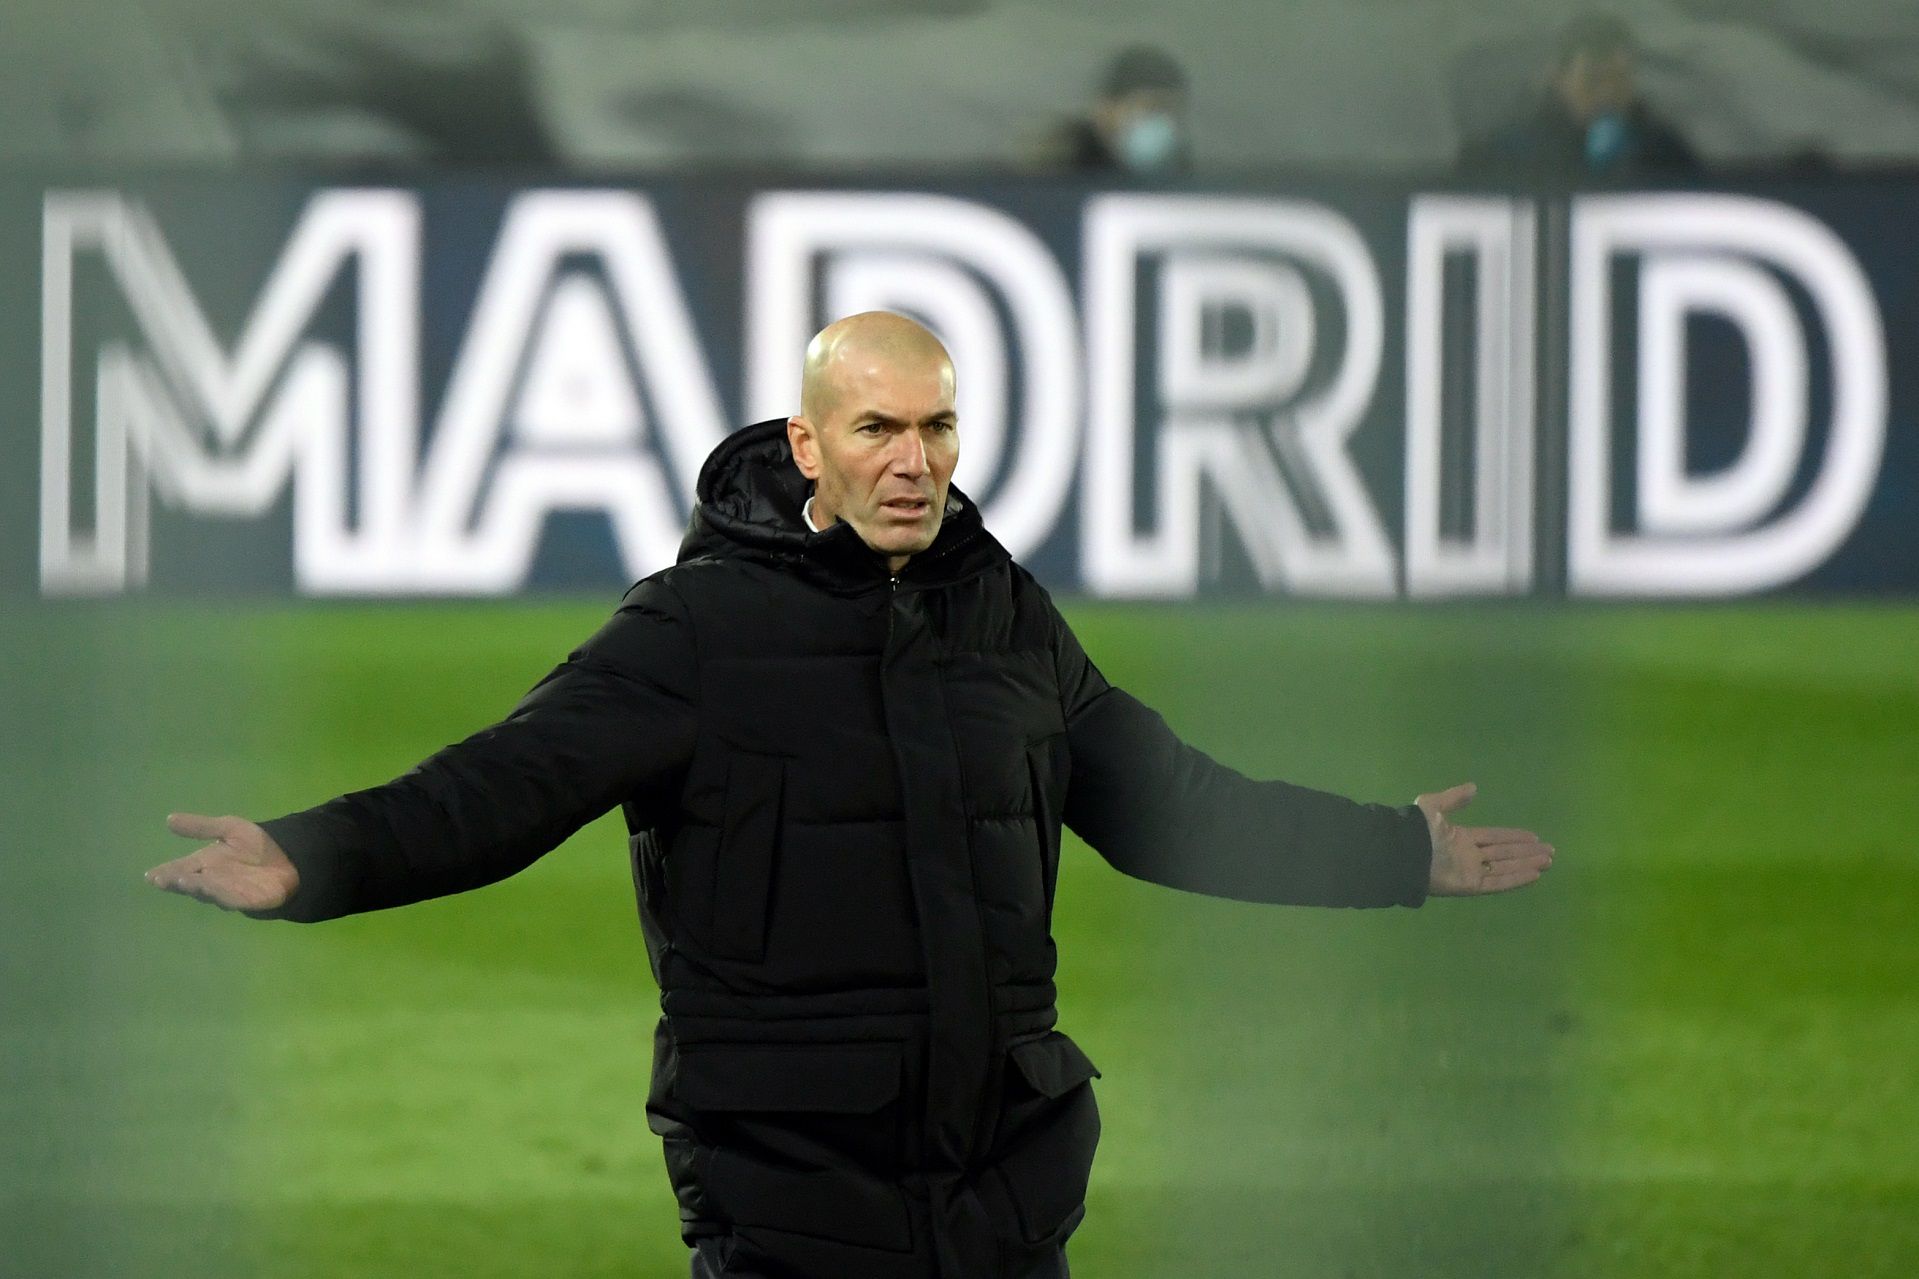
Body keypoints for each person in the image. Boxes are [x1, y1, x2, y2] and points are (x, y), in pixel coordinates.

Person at [146, 312, 1555, 1279]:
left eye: (936, 426)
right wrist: (309, 856)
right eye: (876, 427)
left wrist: (1390, 851)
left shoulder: (1005, 612)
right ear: (806, 445)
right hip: (790, 1191)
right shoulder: (694, 630)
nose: (913, 460)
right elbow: (508, 781)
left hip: (1004, 1176)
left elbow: (1166, 798)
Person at [1458, 12, 1701, 177]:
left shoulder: (1664, 151)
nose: (1607, 94)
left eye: (1619, 79)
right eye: (1593, 80)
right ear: (1557, 79)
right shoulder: (1509, 153)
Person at [1030, 43, 1193, 176]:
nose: (1163, 122)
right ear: (1106, 109)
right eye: (1152, 108)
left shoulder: (1178, 172)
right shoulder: (1060, 162)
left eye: (1172, 112)